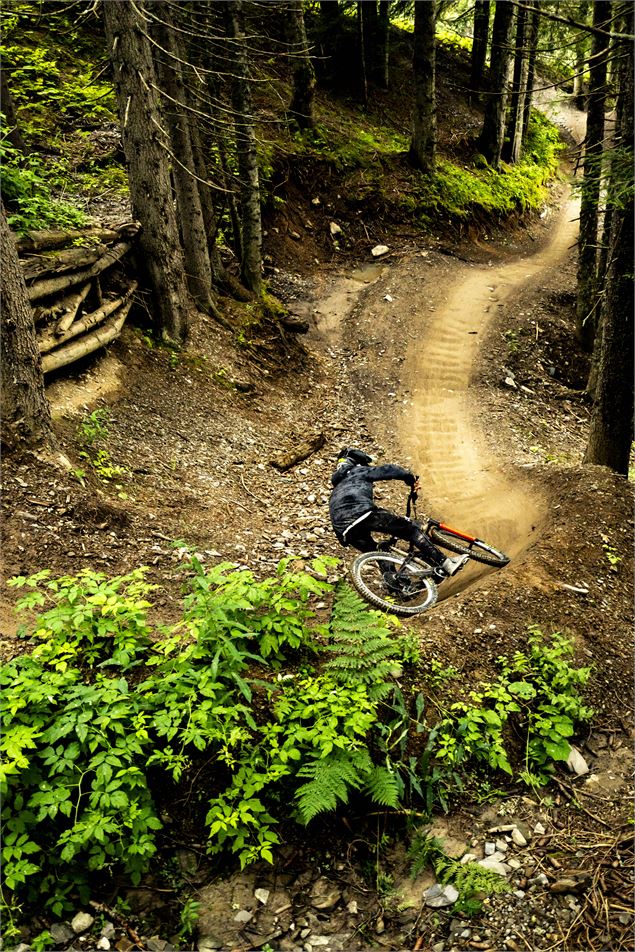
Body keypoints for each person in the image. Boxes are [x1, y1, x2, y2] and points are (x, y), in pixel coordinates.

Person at [329, 447, 468, 577]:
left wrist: (344, 538)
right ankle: (447, 563)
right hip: (361, 513)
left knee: (379, 552)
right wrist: (410, 479)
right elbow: (390, 470)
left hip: (345, 531)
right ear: (358, 463)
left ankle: (396, 587)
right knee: (411, 530)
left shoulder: (336, 489)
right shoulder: (356, 472)